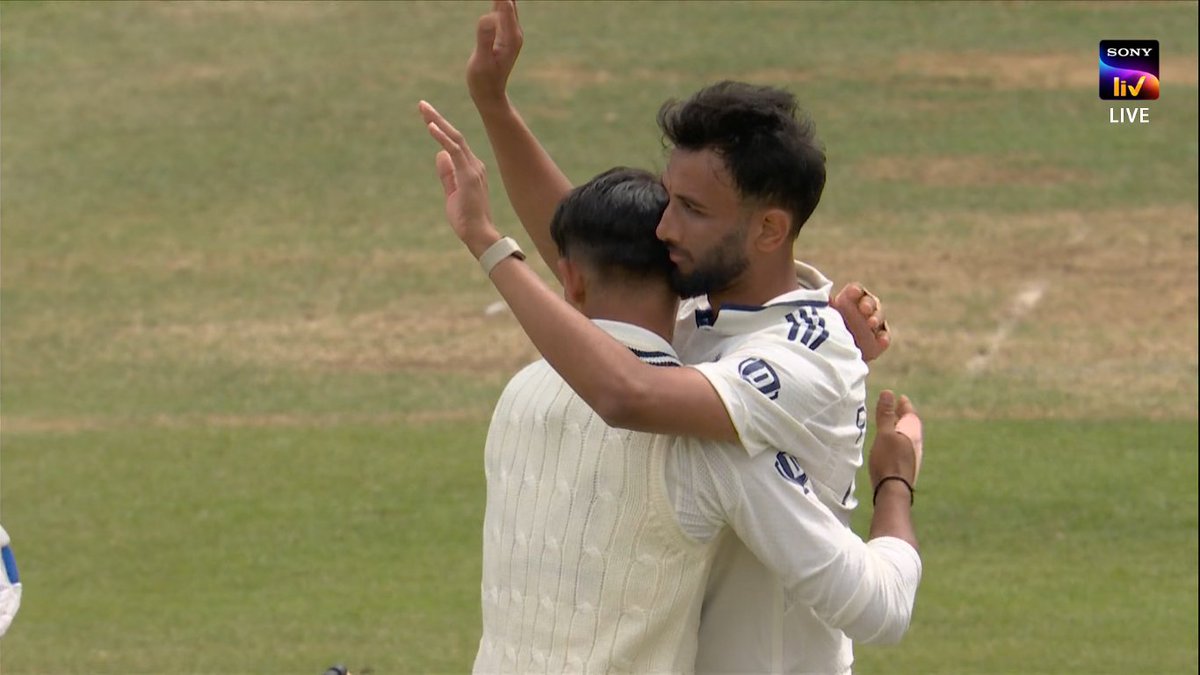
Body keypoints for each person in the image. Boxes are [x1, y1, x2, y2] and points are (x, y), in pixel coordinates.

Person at [452, 2, 902, 671]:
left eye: (690, 210)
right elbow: (590, 258)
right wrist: (495, 105)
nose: (663, 228)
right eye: (668, 200)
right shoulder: (694, 305)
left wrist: (896, 479)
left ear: (769, 230)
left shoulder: (805, 359)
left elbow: (626, 389)